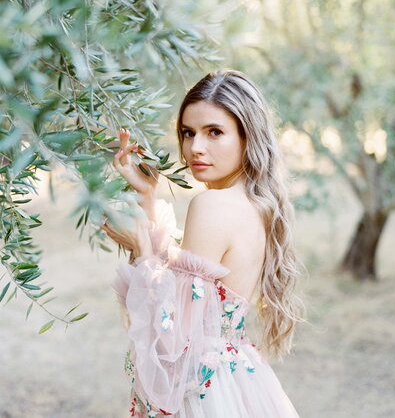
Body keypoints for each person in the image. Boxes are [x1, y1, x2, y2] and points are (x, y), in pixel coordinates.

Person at [103, 69, 302, 417]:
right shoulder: (258, 204)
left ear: (247, 136)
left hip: (201, 388)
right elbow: (185, 296)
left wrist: (140, 249)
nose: (196, 147)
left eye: (214, 132)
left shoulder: (211, 205)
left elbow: (173, 337)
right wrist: (148, 196)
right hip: (237, 378)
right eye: (187, 133)